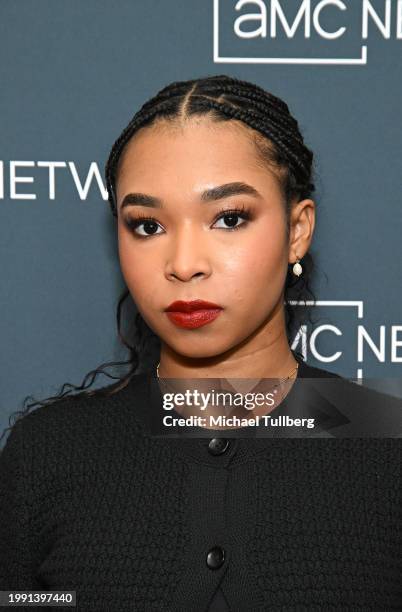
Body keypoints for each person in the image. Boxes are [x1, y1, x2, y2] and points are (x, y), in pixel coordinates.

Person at [1, 74, 402, 611]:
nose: (185, 264)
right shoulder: (48, 453)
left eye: (229, 218)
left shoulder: (389, 446)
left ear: (298, 230)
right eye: (147, 226)